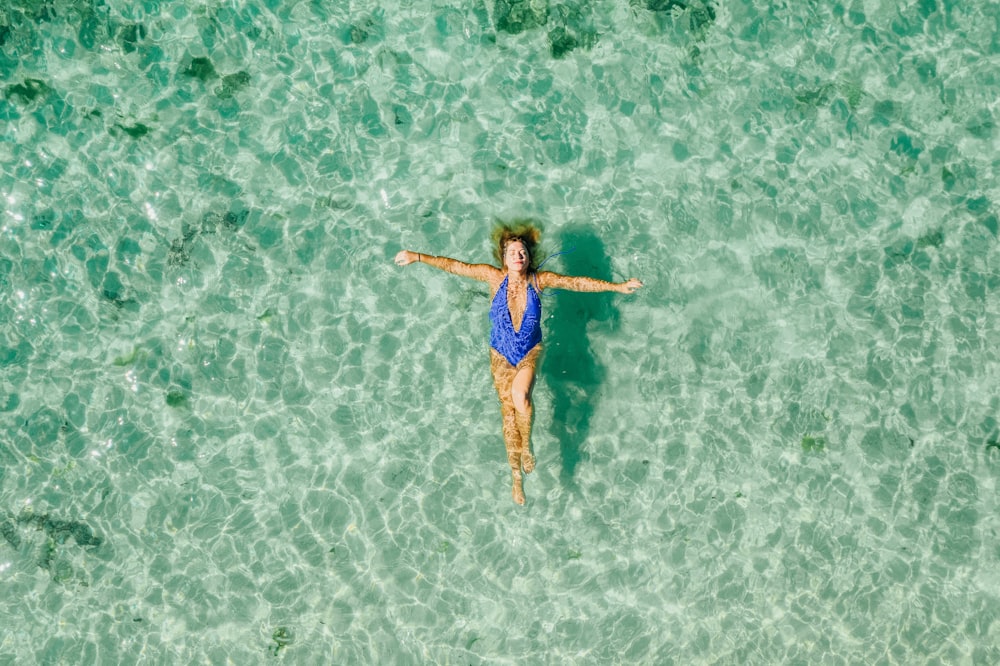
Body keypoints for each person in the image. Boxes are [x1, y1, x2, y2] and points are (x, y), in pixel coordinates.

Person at [394, 222, 643, 505]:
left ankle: (527, 445)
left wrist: (617, 287)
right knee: (508, 415)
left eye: (522, 251)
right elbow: (454, 266)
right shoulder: (491, 277)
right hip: (500, 355)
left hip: (529, 352)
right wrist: (416, 256)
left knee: (520, 395)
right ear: (503, 258)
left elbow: (576, 283)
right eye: (512, 251)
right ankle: (516, 475)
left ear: (528, 257)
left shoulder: (540, 280)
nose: (518, 255)